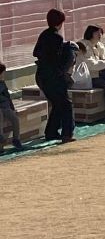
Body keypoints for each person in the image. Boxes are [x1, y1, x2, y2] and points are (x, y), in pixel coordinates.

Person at [32, 8, 76, 145]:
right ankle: (67, 134)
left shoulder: (44, 34)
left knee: (57, 103)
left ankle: (51, 132)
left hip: (41, 75)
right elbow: (56, 59)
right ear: (60, 23)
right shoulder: (57, 37)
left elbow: (36, 52)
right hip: (54, 76)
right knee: (66, 104)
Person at [0, 62, 22, 153]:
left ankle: (16, 139)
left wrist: (12, 107)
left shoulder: (2, 83)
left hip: (5, 107)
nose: (3, 75)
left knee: (15, 119)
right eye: (2, 73)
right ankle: (1, 142)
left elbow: (8, 96)